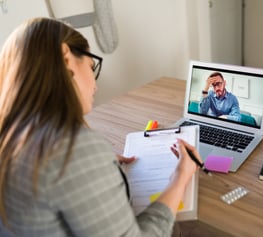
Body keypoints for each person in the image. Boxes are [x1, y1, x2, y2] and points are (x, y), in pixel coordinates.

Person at [0, 17, 201, 237]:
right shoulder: (71, 150)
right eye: (91, 66)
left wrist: (98, 167)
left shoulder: (11, 136)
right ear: (67, 57)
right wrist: (181, 177)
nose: (96, 84)